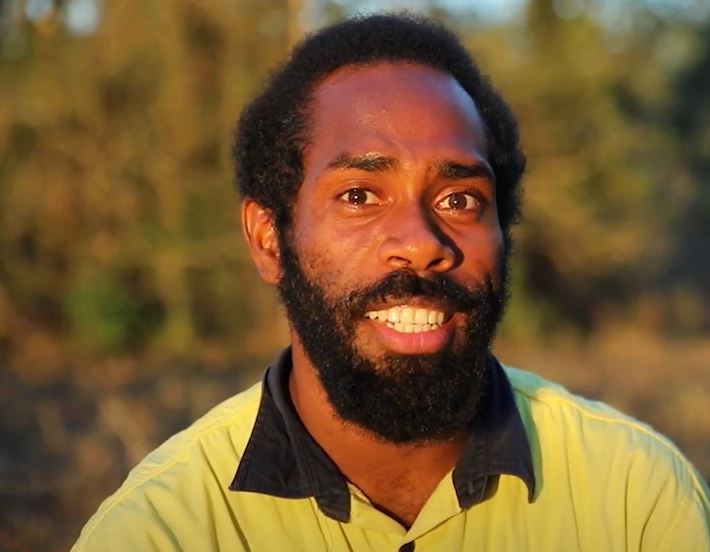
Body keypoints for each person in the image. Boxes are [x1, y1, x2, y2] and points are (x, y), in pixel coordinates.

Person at [72, 13, 710, 551]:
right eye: (359, 194)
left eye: (460, 199)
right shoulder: (163, 530)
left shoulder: (634, 501)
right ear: (269, 238)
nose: (421, 243)